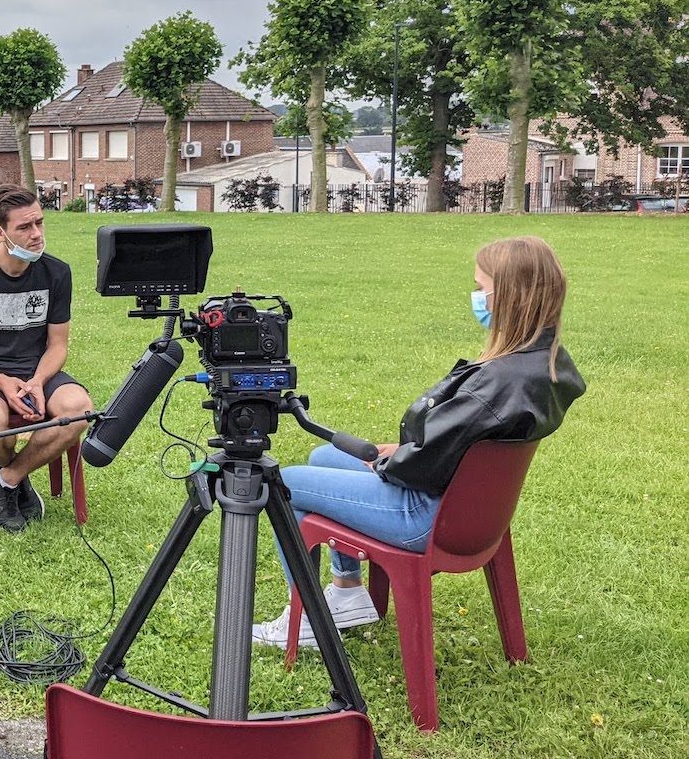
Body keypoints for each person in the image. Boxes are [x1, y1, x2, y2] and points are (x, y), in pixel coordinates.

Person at [251, 236, 586, 648]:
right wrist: (404, 451)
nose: (476, 297)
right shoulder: (543, 364)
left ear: (510, 297)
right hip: (473, 514)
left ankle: (305, 620)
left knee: (284, 481)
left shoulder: (495, 384)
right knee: (327, 453)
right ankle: (347, 592)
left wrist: (391, 463)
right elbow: (456, 443)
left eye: (482, 289)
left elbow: (426, 463)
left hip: (424, 516)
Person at [0, 184, 93, 532]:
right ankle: (17, 477)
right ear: (0, 232)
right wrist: (2, 382)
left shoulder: (57, 272)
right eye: (24, 227)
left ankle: (7, 479)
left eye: (39, 222)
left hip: (37, 371)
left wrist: (38, 381)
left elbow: (57, 344)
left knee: (79, 409)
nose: (37, 234)